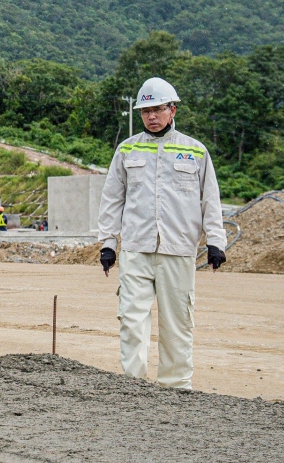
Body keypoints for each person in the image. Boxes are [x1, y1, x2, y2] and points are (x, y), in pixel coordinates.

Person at [97, 77, 227, 390]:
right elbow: (112, 199)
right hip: (136, 249)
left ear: (173, 110)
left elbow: (210, 200)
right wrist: (107, 245)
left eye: (158, 109)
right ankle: (134, 385)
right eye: (145, 111)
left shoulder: (195, 152)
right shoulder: (127, 150)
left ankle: (176, 386)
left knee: (177, 323)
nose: (151, 116)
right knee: (131, 319)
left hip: (178, 250)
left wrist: (215, 243)